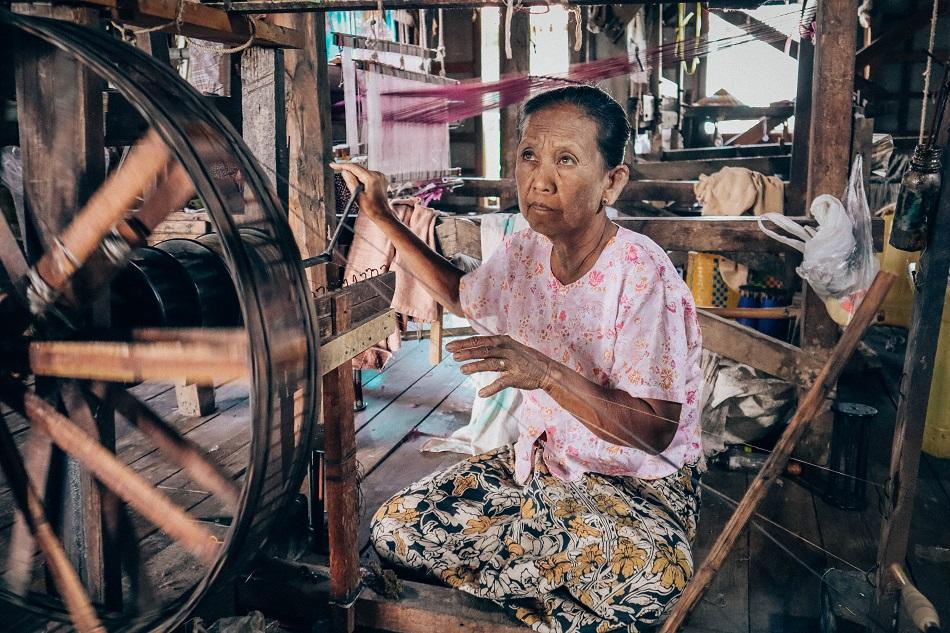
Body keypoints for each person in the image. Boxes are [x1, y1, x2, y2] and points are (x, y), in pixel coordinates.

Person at [331, 85, 703, 633]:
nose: (540, 179)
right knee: (396, 528)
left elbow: (655, 433)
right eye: (529, 156)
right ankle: (556, 607)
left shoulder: (642, 274)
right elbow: (463, 295)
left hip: (636, 491)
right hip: (540, 473)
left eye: (566, 160)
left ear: (612, 182)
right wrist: (383, 218)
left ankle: (529, 590)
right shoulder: (523, 250)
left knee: (654, 575)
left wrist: (547, 374)